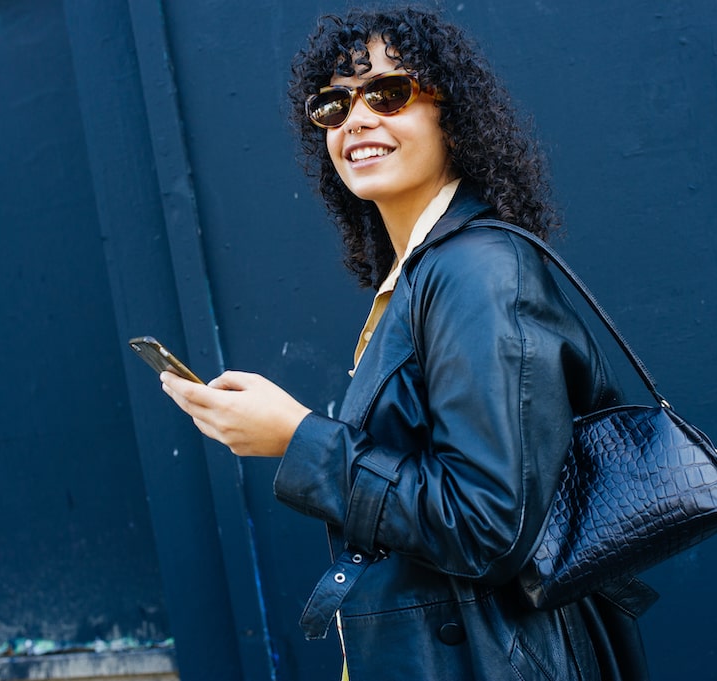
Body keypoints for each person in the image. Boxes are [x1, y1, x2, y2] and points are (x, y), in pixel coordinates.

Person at [161, 6, 653, 680]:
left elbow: (489, 523)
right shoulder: (423, 273)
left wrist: (299, 439)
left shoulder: (476, 273)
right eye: (334, 104)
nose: (357, 119)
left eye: (388, 93)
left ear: (454, 114)